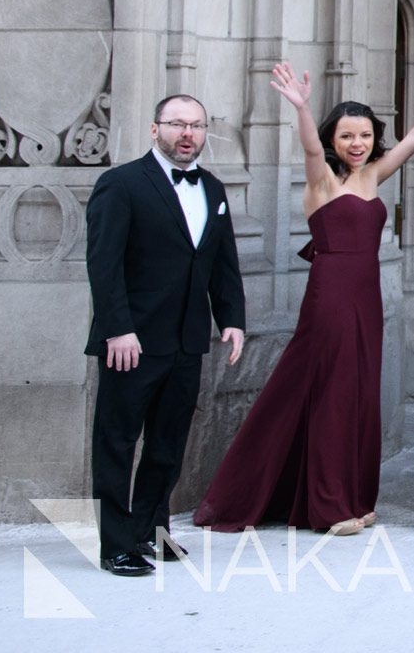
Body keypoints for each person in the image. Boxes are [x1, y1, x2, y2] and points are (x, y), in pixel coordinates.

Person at [197, 62, 414, 536]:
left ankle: (356, 498)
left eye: (365, 135)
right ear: (333, 140)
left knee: (360, 395)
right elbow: (307, 145)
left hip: (366, 299)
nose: (358, 143)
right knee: (334, 397)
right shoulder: (322, 179)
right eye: (347, 136)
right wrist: (301, 108)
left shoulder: (374, 175)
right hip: (330, 297)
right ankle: (327, 507)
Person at [85, 95, 245, 576]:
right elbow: (103, 264)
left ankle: (151, 530)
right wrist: (118, 329)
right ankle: (116, 544)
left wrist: (231, 319)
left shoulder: (213, 188)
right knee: (117, 442)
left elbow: (221, 263)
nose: (187, 134)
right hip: (131, 342)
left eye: (196, 125)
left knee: (167, 444)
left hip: (186, 341)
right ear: (155, 129)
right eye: (177, 124)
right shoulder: (121, 183)